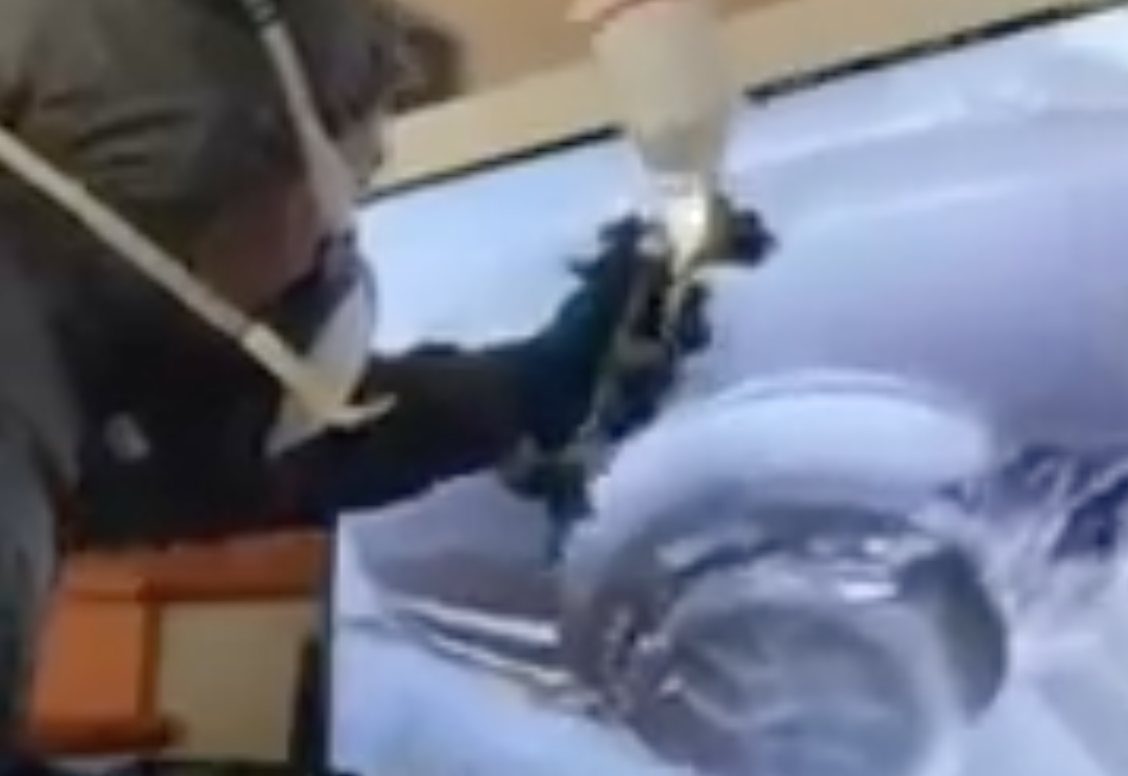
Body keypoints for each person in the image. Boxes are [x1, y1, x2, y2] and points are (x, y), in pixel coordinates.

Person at [0, 0, 708, 757]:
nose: (334, 255)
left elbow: (218, 460)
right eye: (346, 200)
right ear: (222, 162)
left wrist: (527, 388)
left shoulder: (46, 348)